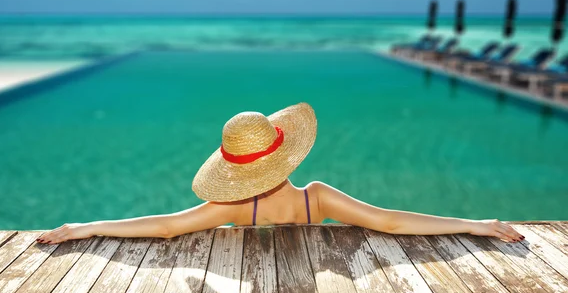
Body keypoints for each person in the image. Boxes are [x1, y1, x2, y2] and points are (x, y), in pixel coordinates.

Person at [36, 102, 524, 245]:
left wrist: (87, 227)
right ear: (285, 155)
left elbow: (163, 226)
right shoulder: (318, 200)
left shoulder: (231, 208)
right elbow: (391, 221)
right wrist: (474, 224)